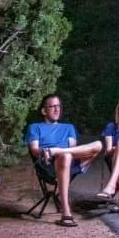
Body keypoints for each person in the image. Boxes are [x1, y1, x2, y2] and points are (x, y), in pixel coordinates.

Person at [25, 93, 103, 226]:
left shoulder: (68, 128)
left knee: (98, 145)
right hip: (48, 164)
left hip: (68, 163)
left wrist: (57, 150)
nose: (57, 109)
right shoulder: (35, 127)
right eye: (52, 106)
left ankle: (59, 152)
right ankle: (66, 212)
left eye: (58, 106)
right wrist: (48, 152)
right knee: (66, 155)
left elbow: (73, 149)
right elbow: (34, 150)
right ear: (44, 111)